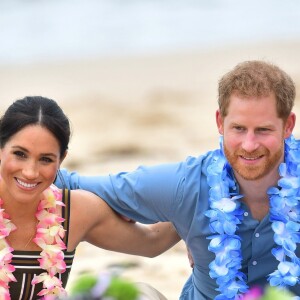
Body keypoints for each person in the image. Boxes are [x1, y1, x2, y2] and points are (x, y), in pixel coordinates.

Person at [56, 60, 300, 300]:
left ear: (288, 125)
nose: (249, 145)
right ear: (220, 123)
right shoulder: (189, 185)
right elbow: (71, 184)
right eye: (238, 128)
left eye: (263, 130)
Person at [0, 96, 181, 300]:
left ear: (62, 160)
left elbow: (152, 241)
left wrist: (197, 204)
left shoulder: (74, 211)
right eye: (20, 154)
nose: (30, 172)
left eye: (46, 159)